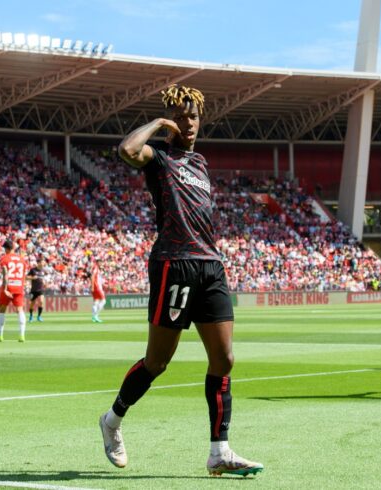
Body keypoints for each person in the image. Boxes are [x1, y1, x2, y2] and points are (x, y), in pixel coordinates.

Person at [99, 84, 263, 477]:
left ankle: (219, 451)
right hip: (174, 264)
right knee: (158, 362)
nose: (190, 123)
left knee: (224, 359)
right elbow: (126, 150)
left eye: (194, 116)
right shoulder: (159, 157)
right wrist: (157, 122)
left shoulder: (201, 163)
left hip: (211, 266)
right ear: (172, 120)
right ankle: (112, 420)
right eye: (182, 116)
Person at [0, 240, 27, 343]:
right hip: (19, 287)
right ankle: (22, 336)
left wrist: (5, 289)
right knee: (20, 310)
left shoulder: (5, 259)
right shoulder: (22, 259)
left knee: (2, 310)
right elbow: (23, 275)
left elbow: (5, 274)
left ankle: (0, 335)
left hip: (8, 286)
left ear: (6, 249)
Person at [27, 256, 46, 323]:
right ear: (38, 263)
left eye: (43, 262)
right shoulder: (33, 270)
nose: (43, 263)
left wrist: (45, 283)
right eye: (42, 262)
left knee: (41, 301)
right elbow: (26, 277)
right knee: (32, 304)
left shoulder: (43, 271)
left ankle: (39, 316)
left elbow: (43, 279)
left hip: (41, 289)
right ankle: (31, 316)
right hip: (34, 289)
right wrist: (32, 278)